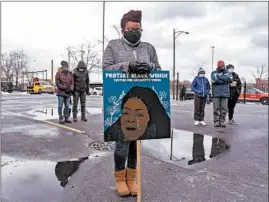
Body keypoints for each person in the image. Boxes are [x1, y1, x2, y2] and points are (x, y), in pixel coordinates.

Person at [103, 10, 161, 197]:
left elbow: (158, 69)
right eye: (131, 29)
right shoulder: (113, 46)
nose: (135, 32)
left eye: (138, 29)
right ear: (123, 30)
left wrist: (150, 67)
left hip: (142, 100)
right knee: (122, 143)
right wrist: (128, 66)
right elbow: (106, 69)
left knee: (136, 142)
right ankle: (120, 179)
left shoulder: (149, 48)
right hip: (122, 100)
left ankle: (131, 178)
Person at [104, 86, 170, 141]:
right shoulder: (111, 133)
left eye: (139, 114)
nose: (131, 119)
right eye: (126, 113)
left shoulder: (158, 139)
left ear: (150, 117)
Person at [211, 60, 233, 128]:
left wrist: (219, 77)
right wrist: (224, 79)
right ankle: (216, 122)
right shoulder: (213, 73)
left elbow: (230, 79)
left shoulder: (228, 73)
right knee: (216, 109)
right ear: (218, 66)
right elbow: (214, 80)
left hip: (225, 94)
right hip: (216, 94)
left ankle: (222, 122)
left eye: (223, 65)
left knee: (224, 109)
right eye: (220, 66)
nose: (222, 67)